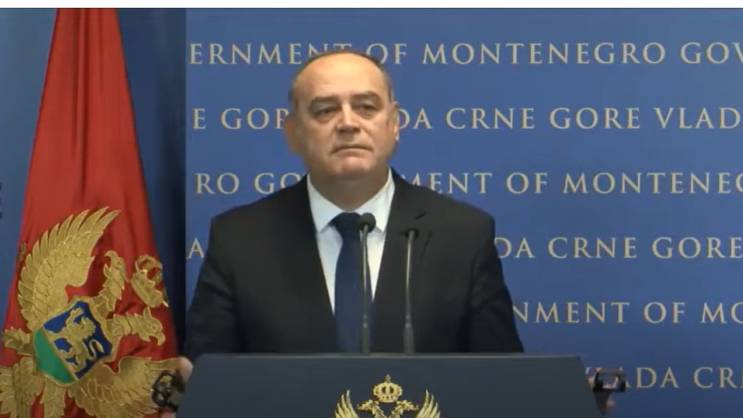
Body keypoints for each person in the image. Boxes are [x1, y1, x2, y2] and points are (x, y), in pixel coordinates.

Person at [183, 50, 522, 359]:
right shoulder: (239, 239)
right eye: (325, 110)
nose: (348, 123)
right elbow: (210, 382)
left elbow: (500, 383)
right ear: (293, 133)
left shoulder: (463, 235)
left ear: (394, 124)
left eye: (366, 107)